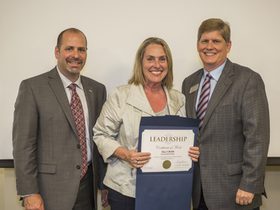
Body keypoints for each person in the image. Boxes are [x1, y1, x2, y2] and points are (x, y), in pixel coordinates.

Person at [93, 37, 200, 210]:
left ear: (168, 64)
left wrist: (192, 150)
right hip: (126, 190)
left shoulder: (179, 98)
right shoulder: (121, 95)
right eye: (150, 58)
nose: (156, 65)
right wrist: (126, 154)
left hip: (170, 190)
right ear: (140, 62)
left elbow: (186, 138)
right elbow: (100, 134)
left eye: (162, 59)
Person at [12, 28, 107, 210]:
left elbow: (100, 140)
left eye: (81, 49)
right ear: (57, 52)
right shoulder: (32, 87)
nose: (76, 55)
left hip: (88, 189)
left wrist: (103, 184)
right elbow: (23, 145)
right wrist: (29, 192)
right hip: (49, 191)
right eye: (69, 48)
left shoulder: (97, 90)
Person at [182, 18, 270, 210]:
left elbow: (257, 138)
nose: (209, 46)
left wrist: (249, 184)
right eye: (204, 41)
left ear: (228, 46)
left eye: (216, 41)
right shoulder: (189, 83)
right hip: (200, 192)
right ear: (198, 45)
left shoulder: (247, 80)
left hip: (236, 191)